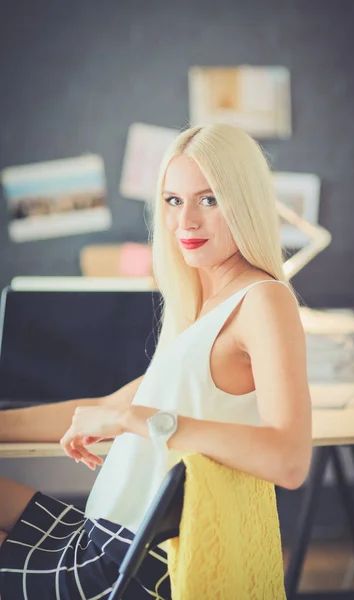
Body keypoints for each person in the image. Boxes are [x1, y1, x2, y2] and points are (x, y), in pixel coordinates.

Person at [0, 123, 312, 599]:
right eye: (172, 200)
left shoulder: (263, 299)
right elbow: (107, 405)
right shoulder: (201, 306)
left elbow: (288, 460)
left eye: (209, 200)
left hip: (129, 566)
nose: (185, 221)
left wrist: (136, 419)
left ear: (245, 202)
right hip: (98, 536)